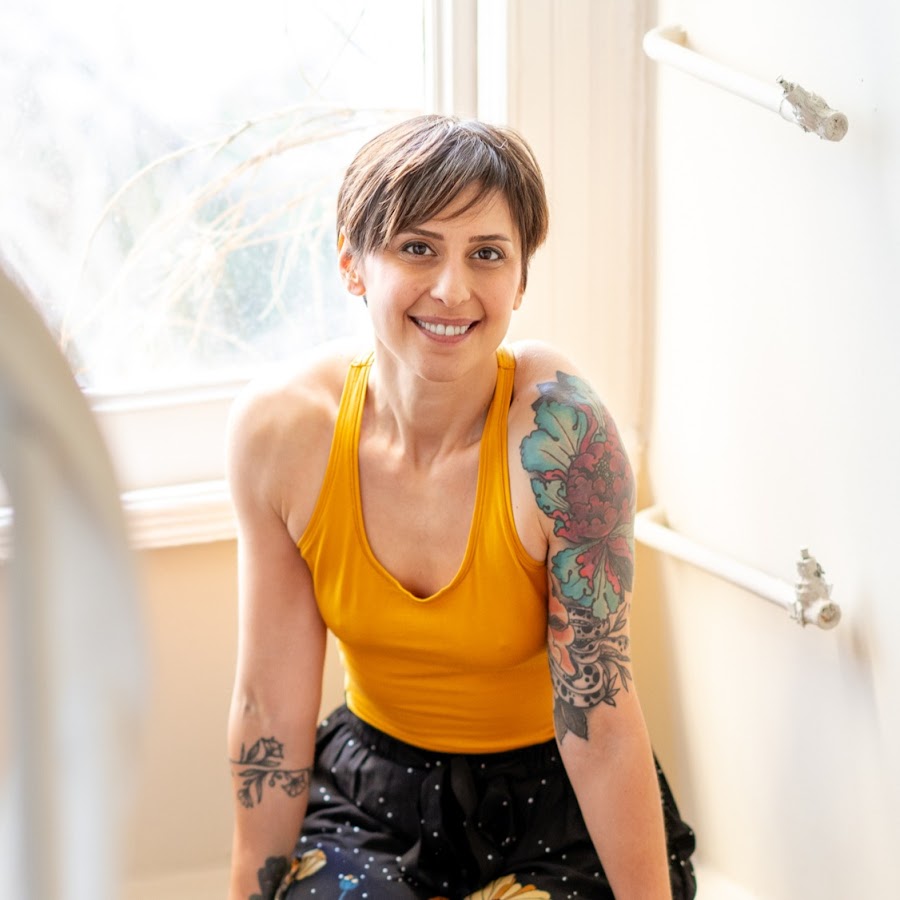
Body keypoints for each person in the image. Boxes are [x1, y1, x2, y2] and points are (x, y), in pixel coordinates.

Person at [225, 115, 696, 900]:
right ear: (352, 265)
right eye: (417, 248)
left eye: (487, 254)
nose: (452, 289)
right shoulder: (283, 432)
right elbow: (269, 705)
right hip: (373, 793)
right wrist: (249, 890)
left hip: (557, 799)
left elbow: (602, 720)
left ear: (521, 279)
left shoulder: (562, 436)